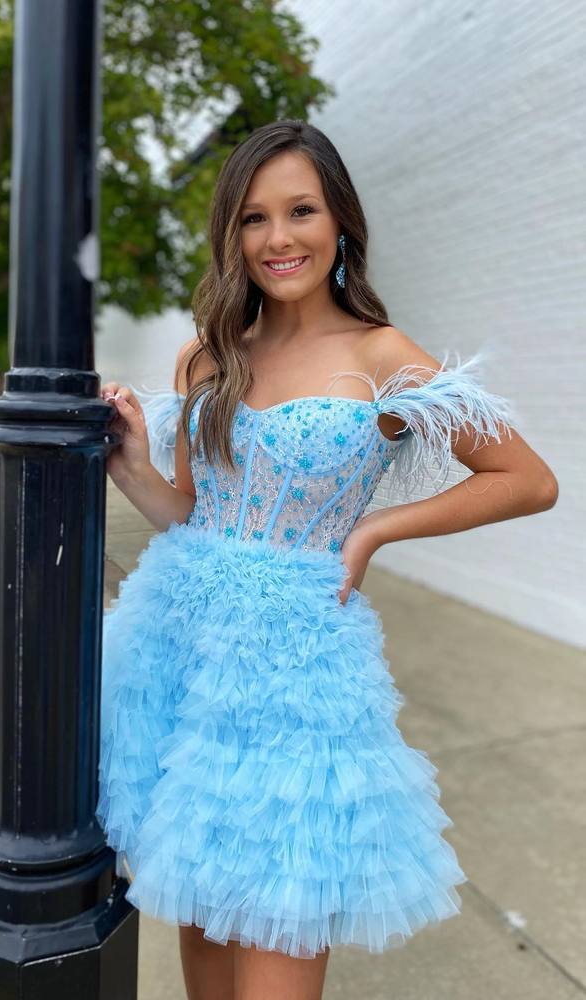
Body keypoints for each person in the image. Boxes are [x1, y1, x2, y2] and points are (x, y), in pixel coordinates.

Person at [96, 119, 558, 1000]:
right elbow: (194, 515)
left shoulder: (381, 358)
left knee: (277, 927)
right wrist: (131, 465)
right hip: (178, 648)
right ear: (231, 234)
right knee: (200, 922)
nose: (278, 238)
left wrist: (374, 529)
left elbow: (525, 480)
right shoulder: (208, 355)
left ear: (338, 220)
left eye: (300, 210)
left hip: (294, 674)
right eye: (253, 218)